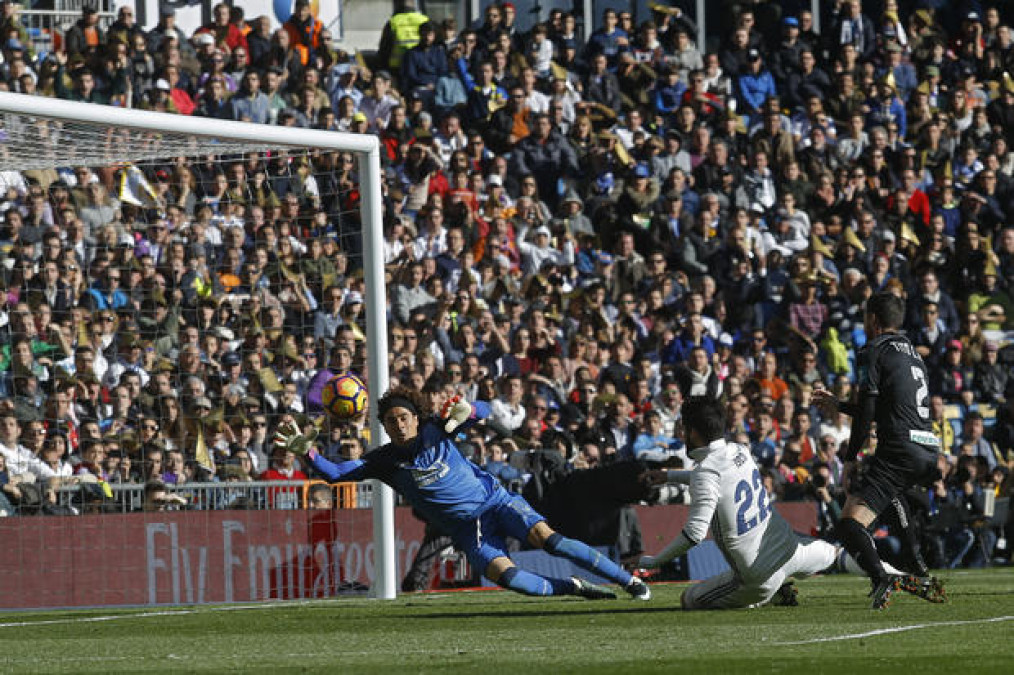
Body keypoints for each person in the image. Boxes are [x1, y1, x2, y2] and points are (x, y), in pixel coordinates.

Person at [273, 386, 651, 600]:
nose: (399, 425)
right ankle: (574, 587)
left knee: (550, 541)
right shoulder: (384, 461)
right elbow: (336, 474)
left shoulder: (437, 430)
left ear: (416, 418)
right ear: (384, 427)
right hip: (469, 529)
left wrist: (469, 408)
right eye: (391, 421)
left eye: (403, 417)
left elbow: (482, 411)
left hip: (497, 502)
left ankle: (628, 581)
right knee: (511, 580)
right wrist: (308, 452)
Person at [639, 396, 917, 609]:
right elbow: (715, 479)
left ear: (693, 432)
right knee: (836, 555)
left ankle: (768, 596)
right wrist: (670, 476)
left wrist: (654, 560)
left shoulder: (706, 472)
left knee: (689, 599)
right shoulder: (739, 450)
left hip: (757, 577)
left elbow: (695, 533)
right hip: (789, 549)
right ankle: (898, 575)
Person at [813, 292, 946, 608]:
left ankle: (881, 578)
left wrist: (850, 459)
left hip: (899, 448)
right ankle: (917, 566)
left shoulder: (873, 350)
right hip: (928, 448)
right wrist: (840, 405)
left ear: (872, 319)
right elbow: (885, 407)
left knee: (848, 524)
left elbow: (868, 412)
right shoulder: (913, 354)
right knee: (891, 495)